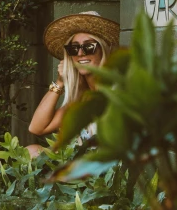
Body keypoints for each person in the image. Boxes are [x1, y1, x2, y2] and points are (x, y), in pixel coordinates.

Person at [27, 10, 119, 158]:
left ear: (103, 49)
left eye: (89, 47)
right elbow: (36, 128)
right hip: (80, 169)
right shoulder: (80, 98)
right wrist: (59, 82)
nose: (81, 54)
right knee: (30, 151)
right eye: (74, 48)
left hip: (104, 173)